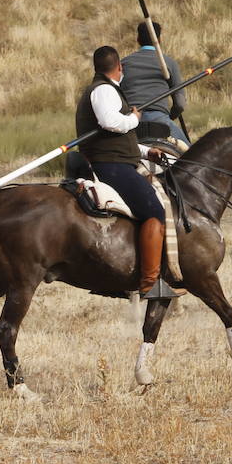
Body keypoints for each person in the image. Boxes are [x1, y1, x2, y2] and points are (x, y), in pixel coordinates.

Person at [75, 45, 167, 296]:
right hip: (111, 166)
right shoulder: (105, 90)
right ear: (119, 68)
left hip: (114, 159)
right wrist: (134, 118)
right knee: (154, 211)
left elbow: (113, 135)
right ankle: (150, 284)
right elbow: (111, 122)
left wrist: (146, 152)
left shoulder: (101, 89)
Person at [121, 21, 188, 144]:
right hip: (159, 119)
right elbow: (180, 104)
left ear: (138, 39)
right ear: (159, 39)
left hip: (130, 120)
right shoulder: (169, 63)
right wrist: (170, 116)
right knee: (193, 158)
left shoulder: (123, 63)